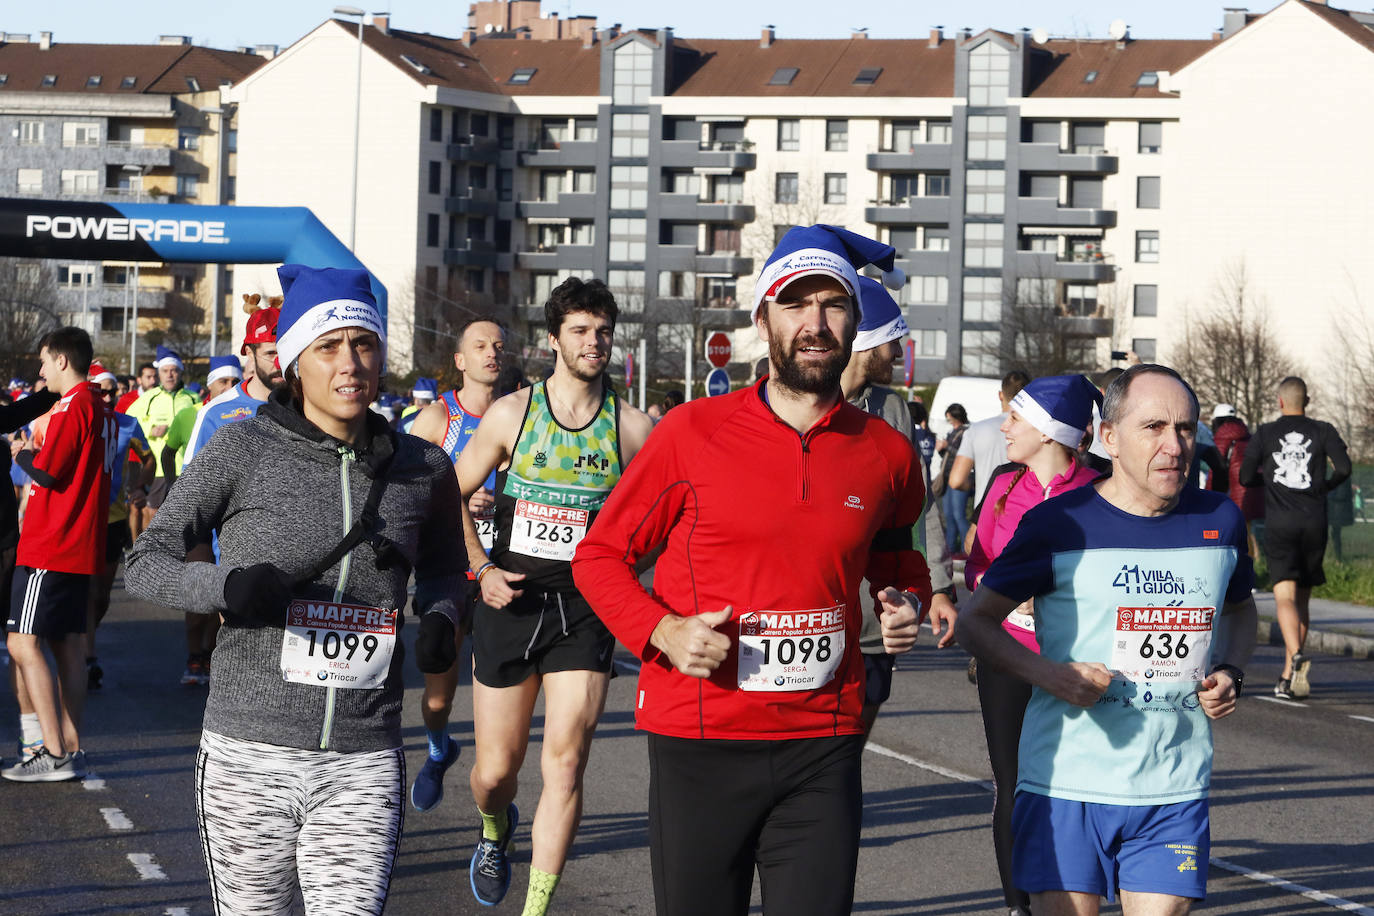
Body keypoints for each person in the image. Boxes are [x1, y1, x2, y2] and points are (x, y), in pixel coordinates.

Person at [574, 225, 932, 916]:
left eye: (834, 304)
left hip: (823, 741)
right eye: (797, 305)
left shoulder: (886, 453)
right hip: (701, 738)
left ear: (856, 323)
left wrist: (907, 599)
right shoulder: (691, 433)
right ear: (762, 319)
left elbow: (897, 558)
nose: (816, 323)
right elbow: (599, 556)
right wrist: (664, 632)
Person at [126, 265, 466, 915]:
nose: (350, 364)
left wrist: (445, 612)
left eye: (363, 344)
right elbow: (147, 561)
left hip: (363, 759)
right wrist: (226, 585)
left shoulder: (423, 469)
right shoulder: (242, 450)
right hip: (249, 756)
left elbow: (449, 568)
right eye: (328, 346)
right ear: (292, 363)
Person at [955, 364, 1258, 916]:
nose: (1175, 446)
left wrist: (1232, 670)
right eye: (1155, 427)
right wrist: (1052, 675)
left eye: (1186, 429)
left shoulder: (1220, 520)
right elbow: (975, 621)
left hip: (1173, 785)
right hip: (1067, 782)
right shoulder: (1058, 523)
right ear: (1109, 437)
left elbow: (1241, 610)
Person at [452, 277, 653, 914]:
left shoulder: (632, 428)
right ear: (553, 340)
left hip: (584, 610)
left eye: (603, 332)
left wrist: (621, 574)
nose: (594, 343)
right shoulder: (513, 413)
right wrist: (481, 567)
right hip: (511, 599)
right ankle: (493, 827)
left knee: (565, 764)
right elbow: (447, 497)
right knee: (495, 775)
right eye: (580, 331)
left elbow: (663, 522)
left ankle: (537, 909)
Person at [963, 374, 1103, 916]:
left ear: (1048, 432)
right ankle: (1017, 905)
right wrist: (1002, 598)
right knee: (1012, 785)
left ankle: (1076, 894)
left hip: (1076, 660)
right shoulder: (1002, 483)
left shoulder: (1098, 488)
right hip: (1008, 658)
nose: (1004, 426)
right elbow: (978, 568)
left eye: (1016, 419)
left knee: (1074, 787)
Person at [840, 277, 957, 739]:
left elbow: (919, 503)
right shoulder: (794, 401)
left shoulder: (894, 410)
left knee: (851, 749)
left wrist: (942, 586)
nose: (899, 355)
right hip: (804, 612)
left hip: (874, 615)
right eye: (894, 341)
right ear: (866, 339)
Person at [3, 327, 115, 782]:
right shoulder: (100, 407)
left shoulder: (74, 406)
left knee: (20, 642)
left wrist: (22, 451)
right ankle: (70, 747)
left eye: (45, 362)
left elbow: (47, 475)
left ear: (63, 361)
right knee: (64, 644)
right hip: (77, 541)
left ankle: (52, 751)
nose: (41, 371)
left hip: (53, 541)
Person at [405, 316, 506, 812]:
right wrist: (458, 502)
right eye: (481, 346)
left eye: (499, 346)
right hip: (447, 571)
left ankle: (497, 785)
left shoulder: (521, 416)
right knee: (440, 699)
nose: (493, 352)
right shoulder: (436, 419)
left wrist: (500, 503)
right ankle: (438, 749)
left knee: (497, 705)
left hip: (500, 572)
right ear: (461, 361)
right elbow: (407, 495)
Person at [1240, 376, 1350, 700]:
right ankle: (1289, 675)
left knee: (1284, 597)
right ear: (1308, 400)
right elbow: (1343, 468)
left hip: (1281, 523)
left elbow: (1246, 476)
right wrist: (1323, 487)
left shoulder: (1265, 433)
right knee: (1302, 599)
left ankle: (1296, 657)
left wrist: (1272, 483)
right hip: (1315, 521)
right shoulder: (1324, 430)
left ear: (1279, 402)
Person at [86, 363, 155, 692]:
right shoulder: (80, 421)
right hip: (83, 520)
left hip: (113, 519)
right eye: (101, 391)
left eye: (112, 391)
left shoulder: (128, 424)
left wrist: (139, 487)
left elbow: (150, 459)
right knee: (86, 593)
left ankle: (86, 637)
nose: (108, 397)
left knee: (100, 597)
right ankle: (86, 656)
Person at [124, 346, 197, 533]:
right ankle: (149, 552)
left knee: (185, 514)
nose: (170, 375)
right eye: (165, 371)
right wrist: (149, 429)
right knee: (153, 512)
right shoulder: (149, 398)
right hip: (158, 468)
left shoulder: (192, 398)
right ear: (159, 374)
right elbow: (129, 420)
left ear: (180, 372)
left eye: (174, 370)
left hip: (186, 466)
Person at [948, 369, 1032, 513]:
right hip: (1024, 512)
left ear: (1000, 395)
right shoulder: (1036, 431)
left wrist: (976, 485)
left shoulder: (976, 429)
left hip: (984, 512)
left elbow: (956, 481)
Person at [1210, 404, 1263, 559]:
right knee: (1247, 528)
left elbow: (1216, 467)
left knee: (1231, 531)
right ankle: (1254, 559)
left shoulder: (1222, 437)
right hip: (1252, 488)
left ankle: (1242, 563)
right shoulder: (1248, 435)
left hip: (1231, 491)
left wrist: (1209, 494)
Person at [938, 403, 971, 556]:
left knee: (959, 515)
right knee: (949, 516)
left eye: (950, 419)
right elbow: (948, 456)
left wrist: (947, 446)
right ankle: (951, 549)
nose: (949, 422)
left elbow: (964, 454)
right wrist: (942, 449)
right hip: (948, 478)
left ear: (958, 417)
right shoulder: (953, 432)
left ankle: (967, 550)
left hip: (960, 477)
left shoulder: (967, 432)